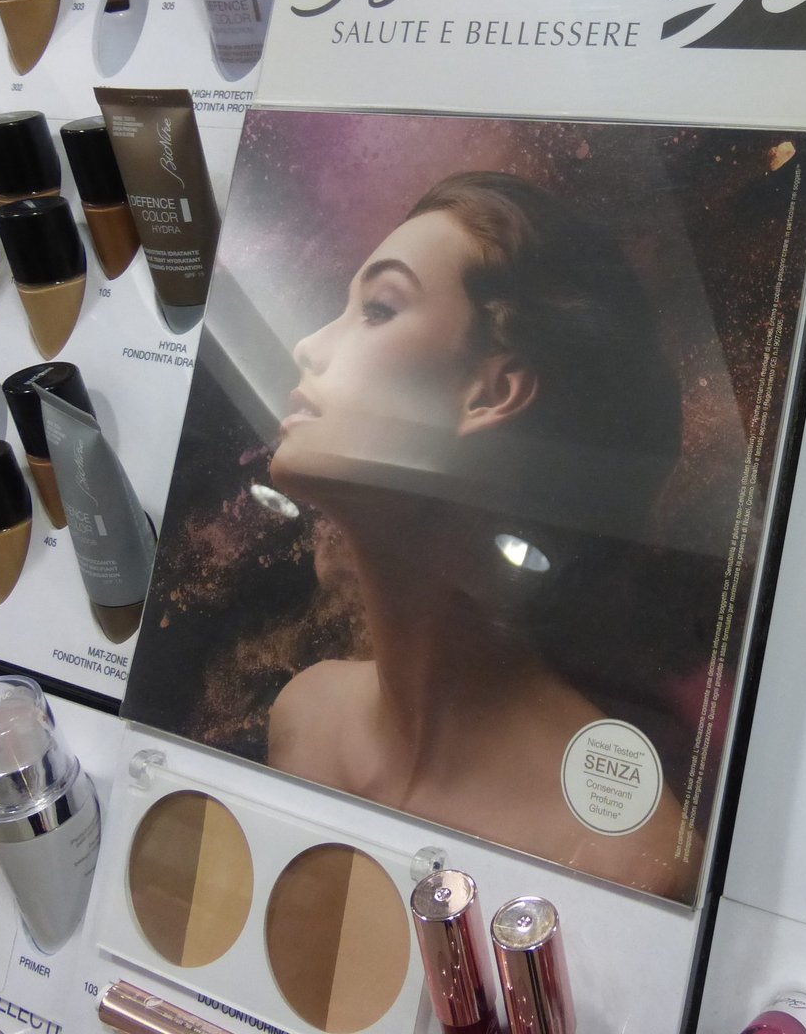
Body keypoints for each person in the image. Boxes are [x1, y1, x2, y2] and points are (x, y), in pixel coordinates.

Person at [266, 171, 691, 898]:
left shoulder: (626, 859)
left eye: (378, 309)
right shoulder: (303, 718)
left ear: (491, 392)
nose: (308, 345)